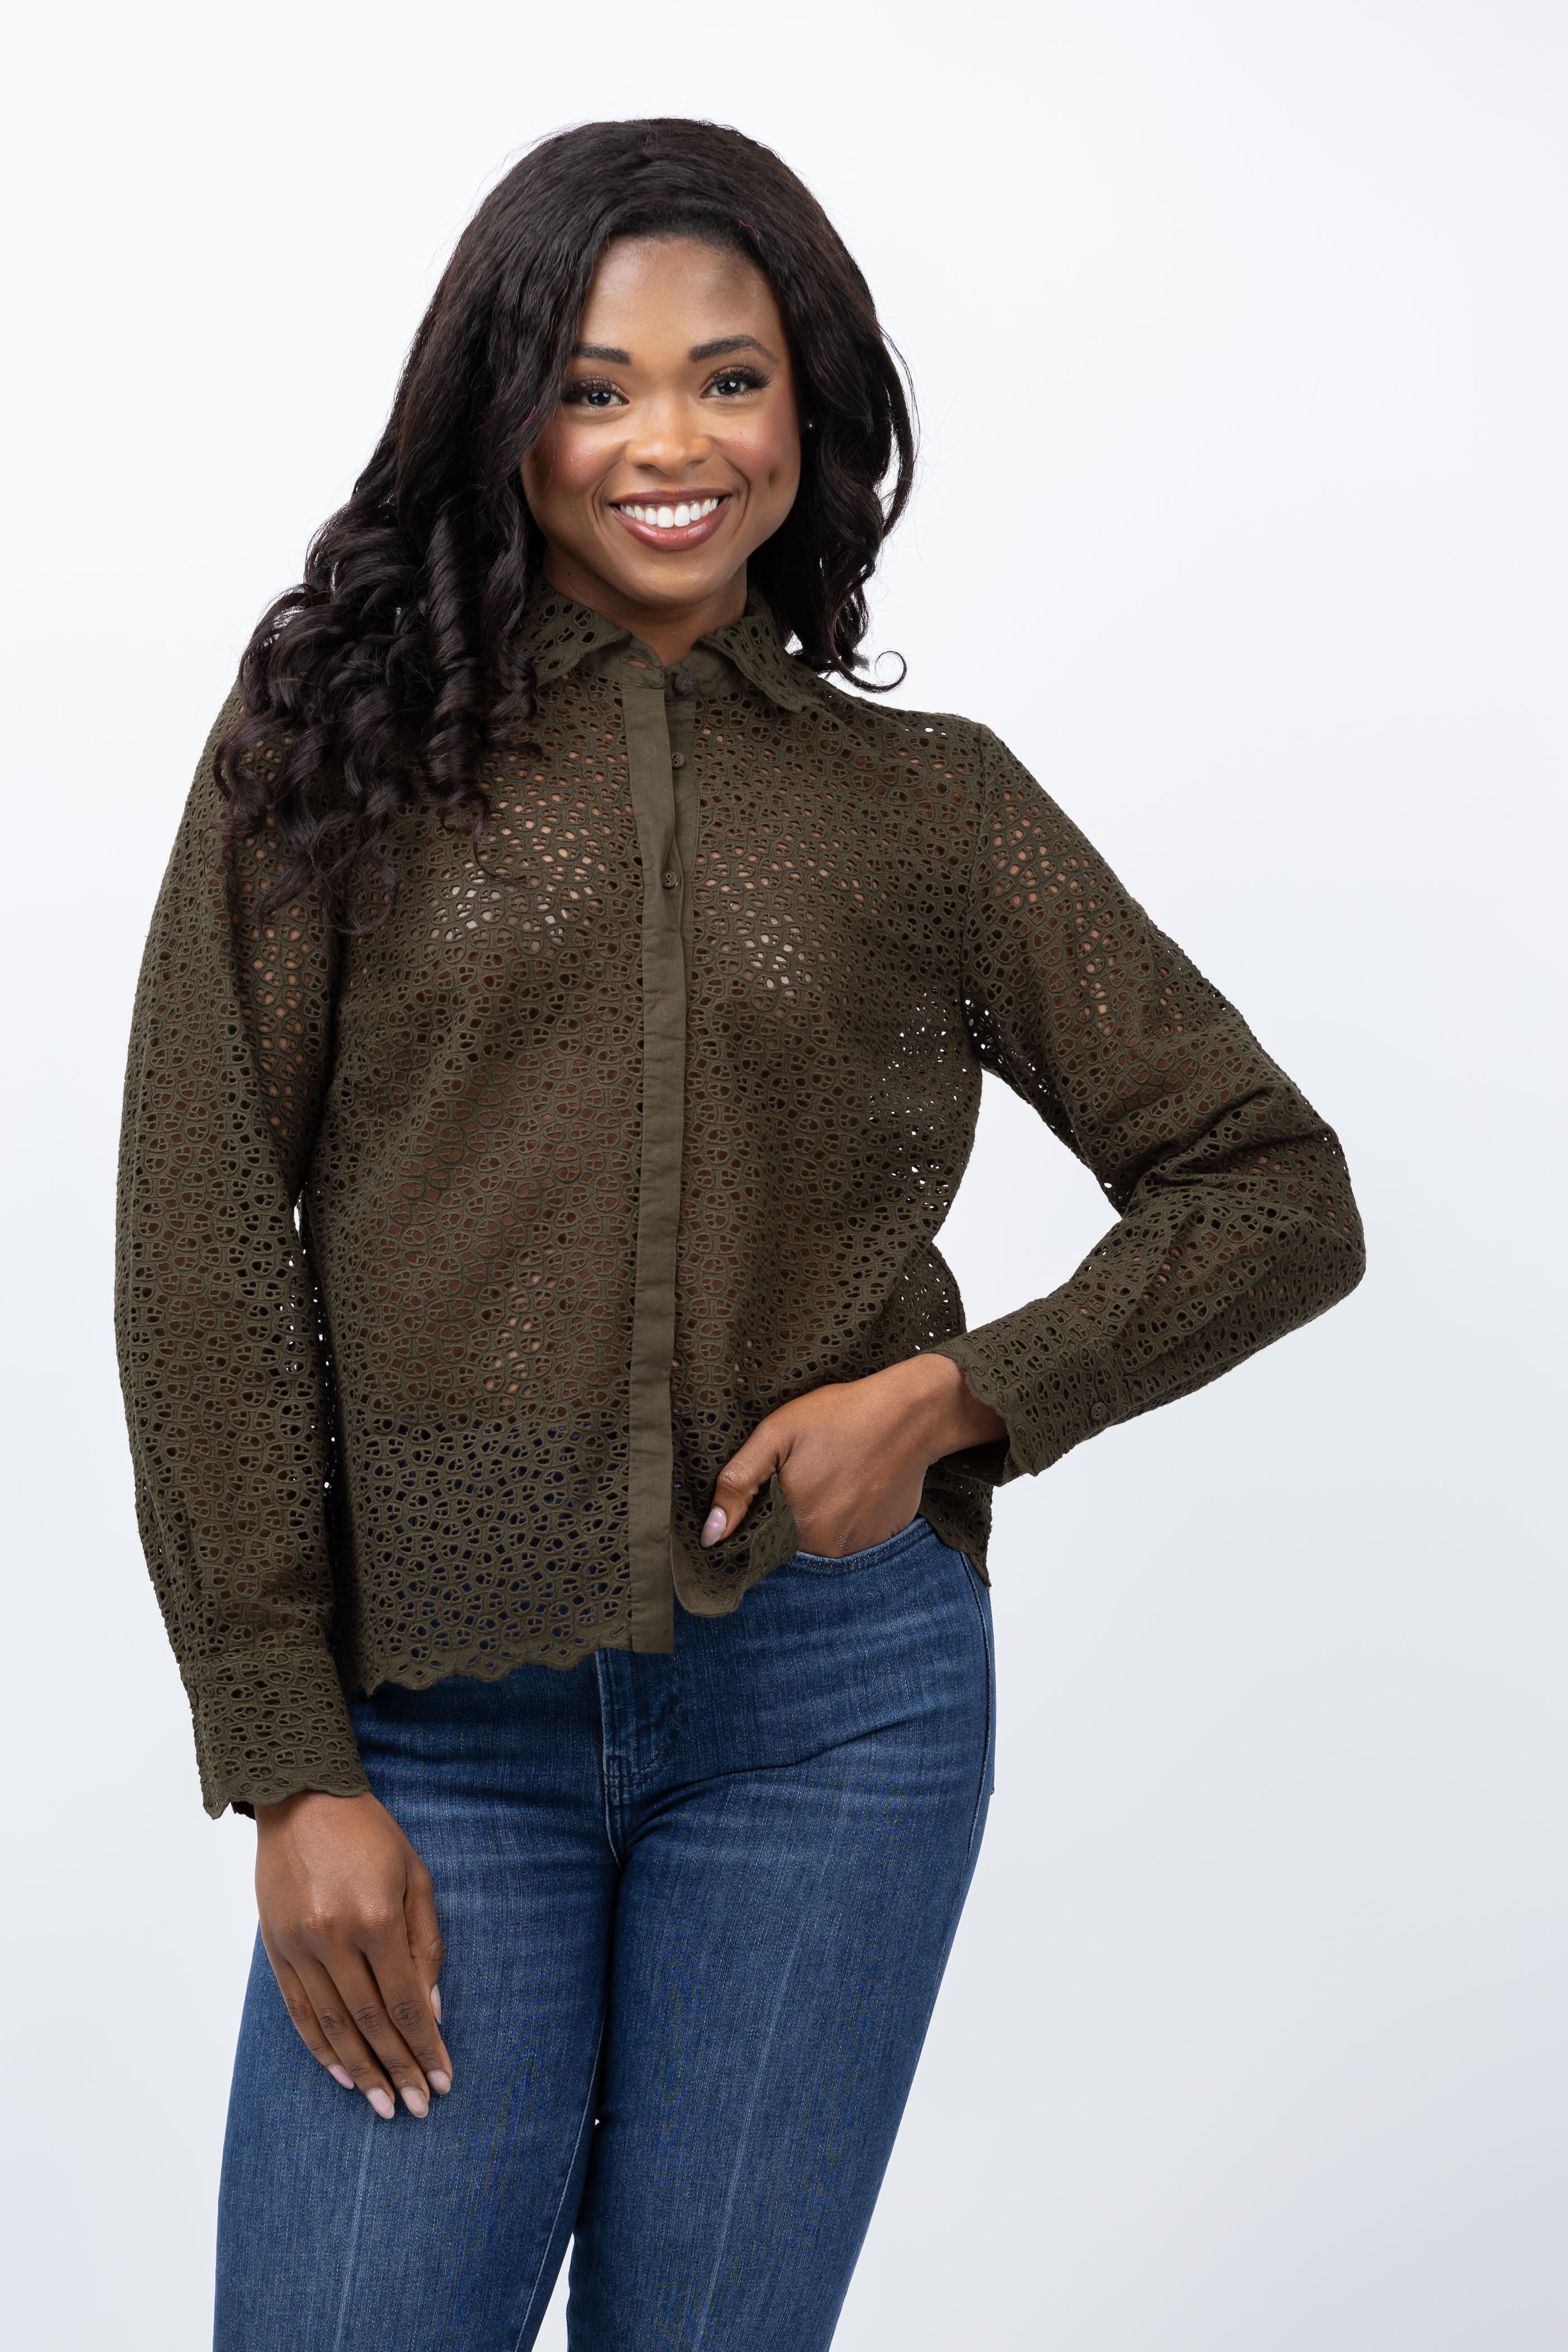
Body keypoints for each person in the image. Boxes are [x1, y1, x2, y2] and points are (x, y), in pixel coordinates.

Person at [115, 115, 1365, 2352]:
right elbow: (203, 1240)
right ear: (505, 415)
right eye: (593, 386)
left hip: (836, 1708)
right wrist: (288, 1757)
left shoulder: (932, 807)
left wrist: (962, 1398)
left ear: (812, 407)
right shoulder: (328, 752)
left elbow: (1271, 1188)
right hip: (435, 1717)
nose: (667, 444)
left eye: (728, 377)